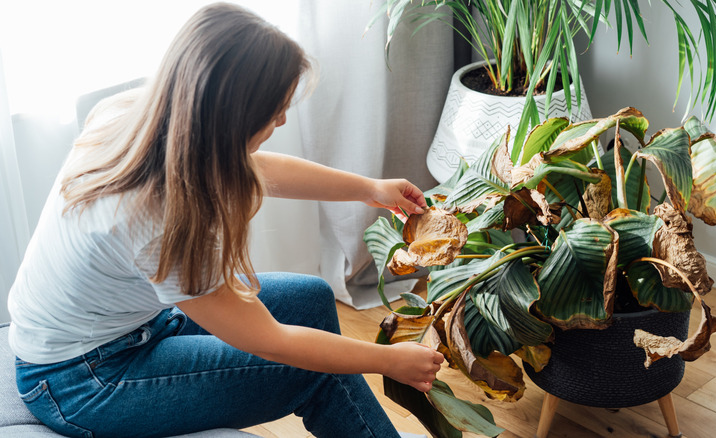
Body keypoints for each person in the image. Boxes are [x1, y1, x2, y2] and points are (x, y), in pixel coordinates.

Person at [8, 3, 444, 437]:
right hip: (83, 381)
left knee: (311, 296)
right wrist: (390, 360)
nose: (282, 119)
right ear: (230, 120)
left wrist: (370, 189)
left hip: (131, 326)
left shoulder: (143, 116)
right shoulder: (163, 217)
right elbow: (273, 342)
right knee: (311, 371)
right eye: (274, 111)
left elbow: (260, 167)